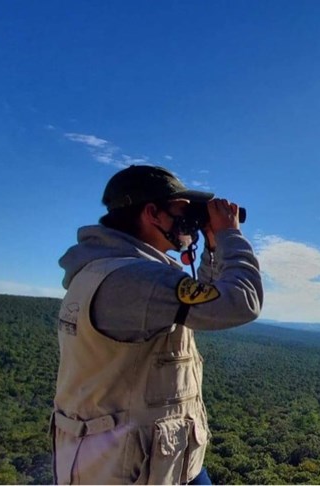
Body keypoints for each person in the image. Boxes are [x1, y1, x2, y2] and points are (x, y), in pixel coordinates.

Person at [52, 165, 263, 484]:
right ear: (152, 213)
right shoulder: (136, 279)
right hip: (134, 469)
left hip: (155, 461)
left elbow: (203, 301)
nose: (188, 222)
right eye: (181, 211)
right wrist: (230, 234)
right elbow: (240, 302)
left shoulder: (113, 272)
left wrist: (213, 249)